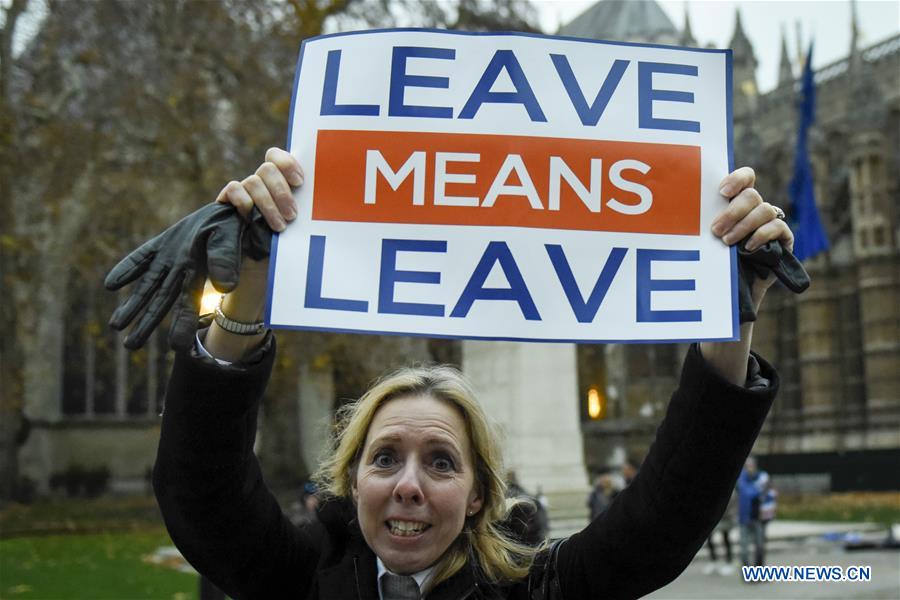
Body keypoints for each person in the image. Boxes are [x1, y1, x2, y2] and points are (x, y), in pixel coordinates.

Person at [143, 147, 794, 599]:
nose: (408, 485)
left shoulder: (535, 589)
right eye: (385, 457)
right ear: (351, 481)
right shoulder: (299, 579)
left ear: (481, 494)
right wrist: (249, 286)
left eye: (442, 463)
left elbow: (664, 520)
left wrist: (727, 314)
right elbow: (203, 497)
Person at [737, 456, 770, 568]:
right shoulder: (741, 479)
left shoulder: (761, 477)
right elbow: (750, 493)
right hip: (744, 519)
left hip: (758, 518)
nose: (749, 468)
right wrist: (760, 488)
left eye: (751, 465)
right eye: (747, 466)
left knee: (760, 547)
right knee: (744, 550)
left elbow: (767, 495)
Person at [703, 489, 737, 576]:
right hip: (713, 517)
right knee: (709, 539)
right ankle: (713, 560)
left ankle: (729, 562)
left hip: (725, 517)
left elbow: (732, 501)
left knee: (725, 538)